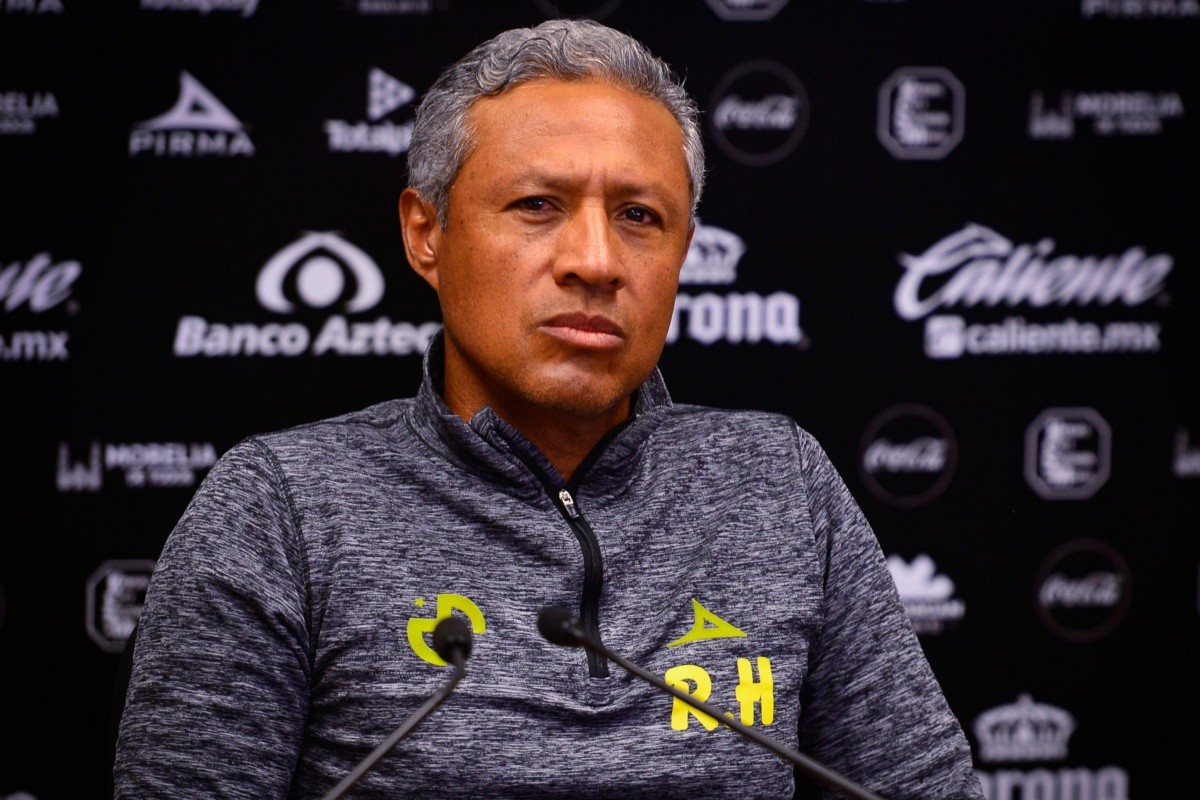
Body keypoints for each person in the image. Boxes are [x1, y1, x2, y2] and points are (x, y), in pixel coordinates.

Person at [114, 18, 986, 800]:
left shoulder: (779, 485)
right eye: (538, 206)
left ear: (684, 252)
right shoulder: (280, 509)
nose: (596, 261)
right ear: (426, 233)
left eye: (640, 215)